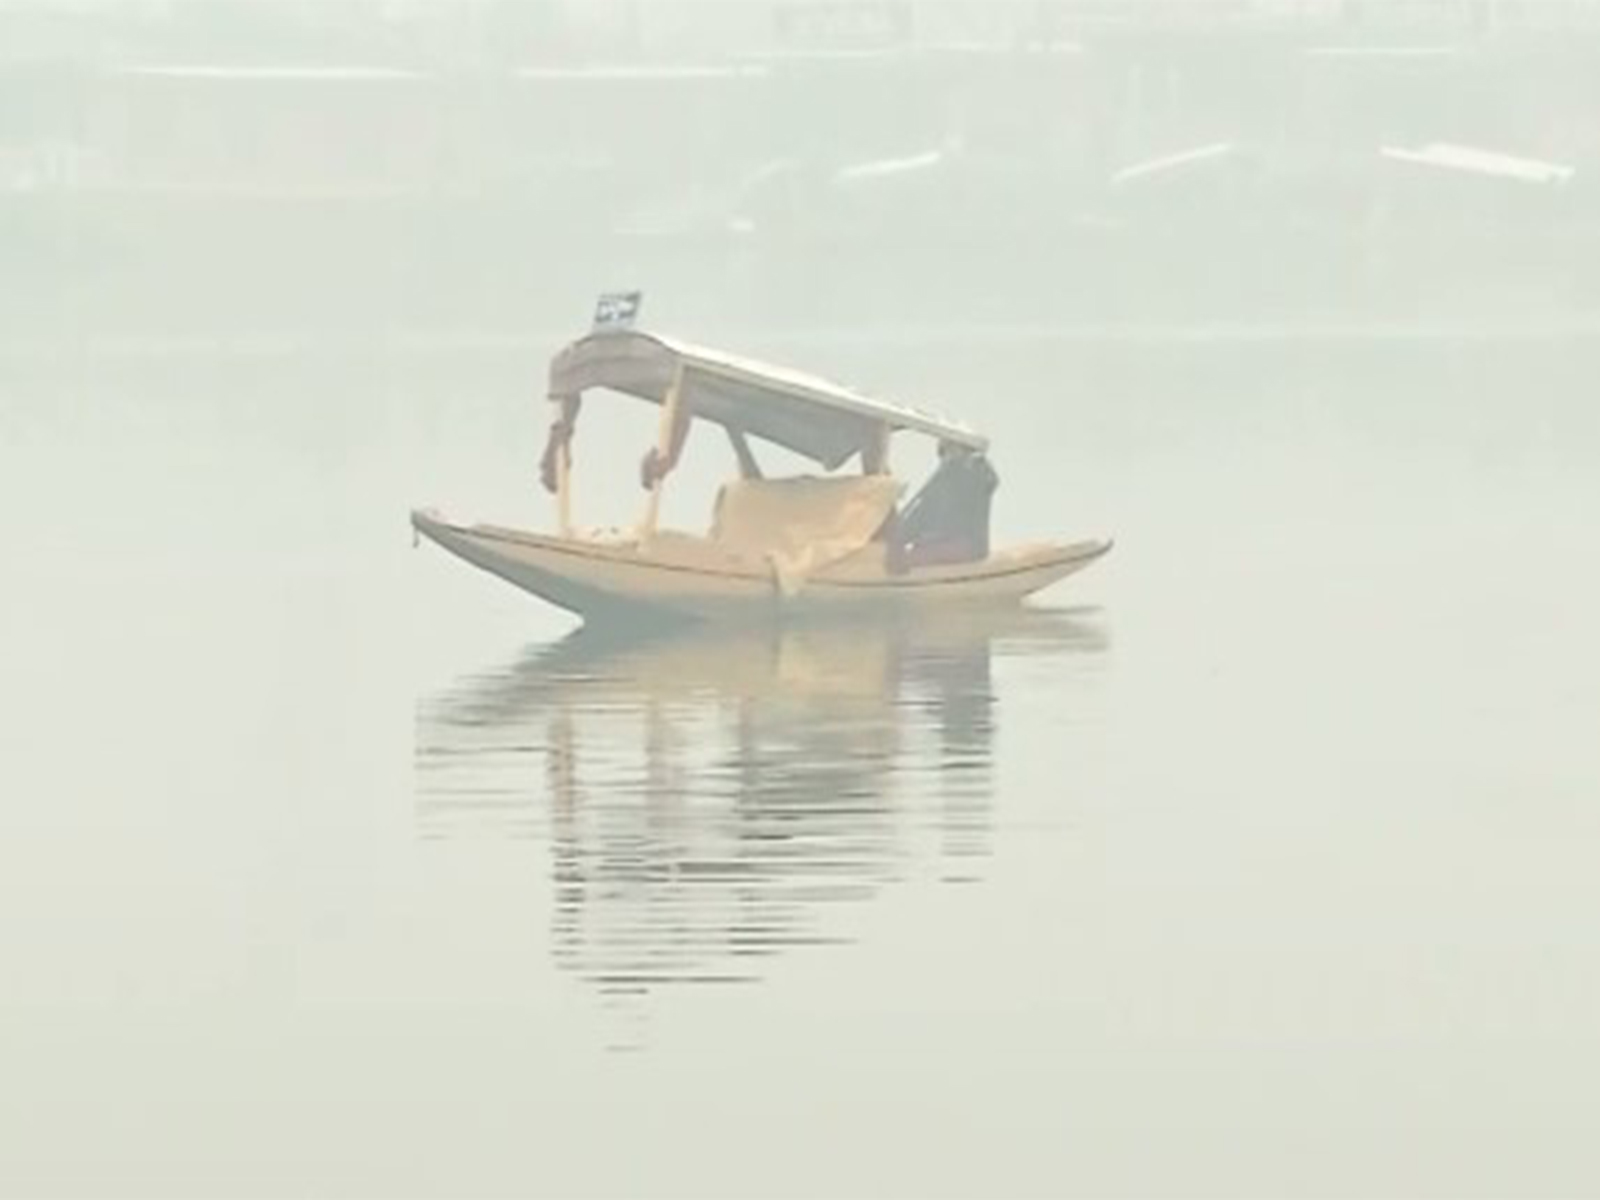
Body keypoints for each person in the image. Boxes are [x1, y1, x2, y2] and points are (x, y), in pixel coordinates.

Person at [885, 441, 999, 572]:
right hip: (958, 544)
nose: (944, 458)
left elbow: (921, 513)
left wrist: (898, 540)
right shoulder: (952, 477)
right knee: (910, 550)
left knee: (906, 558)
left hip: (963, 546)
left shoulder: (969, 471)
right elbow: (921, 514)